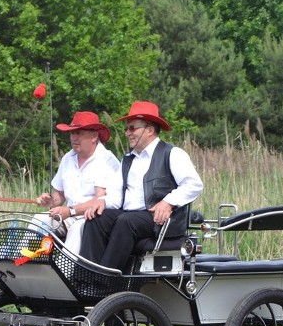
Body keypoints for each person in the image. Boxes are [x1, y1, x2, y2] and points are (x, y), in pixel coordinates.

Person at [80, 101, 203, 270]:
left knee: (126, 222)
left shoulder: (172, 153)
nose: (127, 133)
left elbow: (194, 184)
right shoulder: (128, 159)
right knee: (96, 219)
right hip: (130, 216)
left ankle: (106, 278)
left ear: (150, 130)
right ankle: (86, 274)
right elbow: (116, 195)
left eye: (132, 128)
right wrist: (103, 201)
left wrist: (168, 202)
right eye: (126, 129)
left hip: (158, 218)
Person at [33, 111, 120, 254]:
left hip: (94, 219)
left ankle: (64, 273)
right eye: (72, 133)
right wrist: (49, 201)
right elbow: (59, 195)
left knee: (77, 229)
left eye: (79, 133)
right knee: (38, 220)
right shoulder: (68, 158)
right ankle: (23, 263)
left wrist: (70, 211)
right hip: (69, 216)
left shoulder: (107, 160)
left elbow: (100, 199)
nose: (74, 138)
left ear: (94, 136)